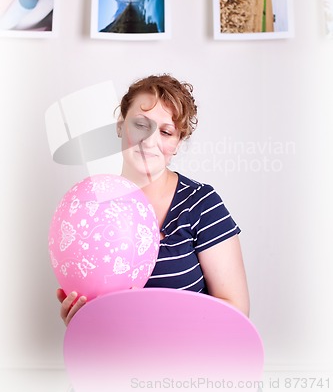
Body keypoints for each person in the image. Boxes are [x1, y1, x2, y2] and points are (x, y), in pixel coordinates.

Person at [57, 74, 250, 325]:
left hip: (191, 361)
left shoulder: (201, 204)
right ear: (120, 125)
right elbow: (96, 316)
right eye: (140, 125)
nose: (149, 141)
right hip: (113, 361)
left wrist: (146, 312)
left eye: (166, 132)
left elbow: (236, 311)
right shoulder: (90, 210)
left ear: (178, 143)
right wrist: (82, 322)